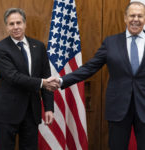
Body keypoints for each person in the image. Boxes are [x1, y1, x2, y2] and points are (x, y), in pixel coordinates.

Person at [48, 1, 145, 150]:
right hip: (118, 110)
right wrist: (62, 80)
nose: (136, 19)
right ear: (125, 18)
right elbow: (89, 68)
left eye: (140, 16)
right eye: (132, 15)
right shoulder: (111, 42)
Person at [0, 8, 58, 150]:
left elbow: (46, 75)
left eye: (19, 22)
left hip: (31, 111)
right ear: (6, 26)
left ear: (25, 24)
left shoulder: (39, 46)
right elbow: (13, 76)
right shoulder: (0, 48)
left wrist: (48, 108)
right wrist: (41, 83)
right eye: (11, 24)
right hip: (7, 112)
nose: (16, 27)